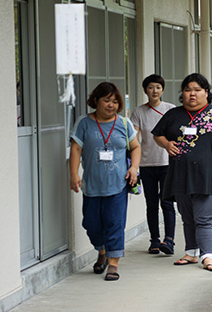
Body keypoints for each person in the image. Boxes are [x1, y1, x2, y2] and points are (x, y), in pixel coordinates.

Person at [152, 73, 212, 272]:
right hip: (181, 174)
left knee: (204, 218)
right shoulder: (173, 114)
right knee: (187, 217)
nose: (192, 94)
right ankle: (191, 252)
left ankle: (207, 256)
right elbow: (157, 134)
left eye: (197, 90)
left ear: (206, 92)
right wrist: (166, 144)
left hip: (208, 175)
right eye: (188, 90)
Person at [69, 82, 141, 281]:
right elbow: (76, 149)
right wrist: (74, 174)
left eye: (115, 101)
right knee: (91, 225)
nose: (111, 105)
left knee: (114, 223)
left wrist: (133, 168)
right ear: (96, 101)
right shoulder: (84, 123)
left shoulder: (124, 124)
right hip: (92, 185)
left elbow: (135, 147)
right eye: (106, 100)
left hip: (118, 184)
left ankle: (113, 263)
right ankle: (101, 250)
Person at [130, 75, 176, 255]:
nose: (154, 91)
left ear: (162, 90)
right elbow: (134, 138)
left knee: (167, 203)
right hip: (147, 164)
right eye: (150, 87)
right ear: (145, 90)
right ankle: (155, 240)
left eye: (158, 87)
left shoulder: (170, 109)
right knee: (151, 204)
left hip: (167, 163)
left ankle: (169, 240)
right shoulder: (139, 112)